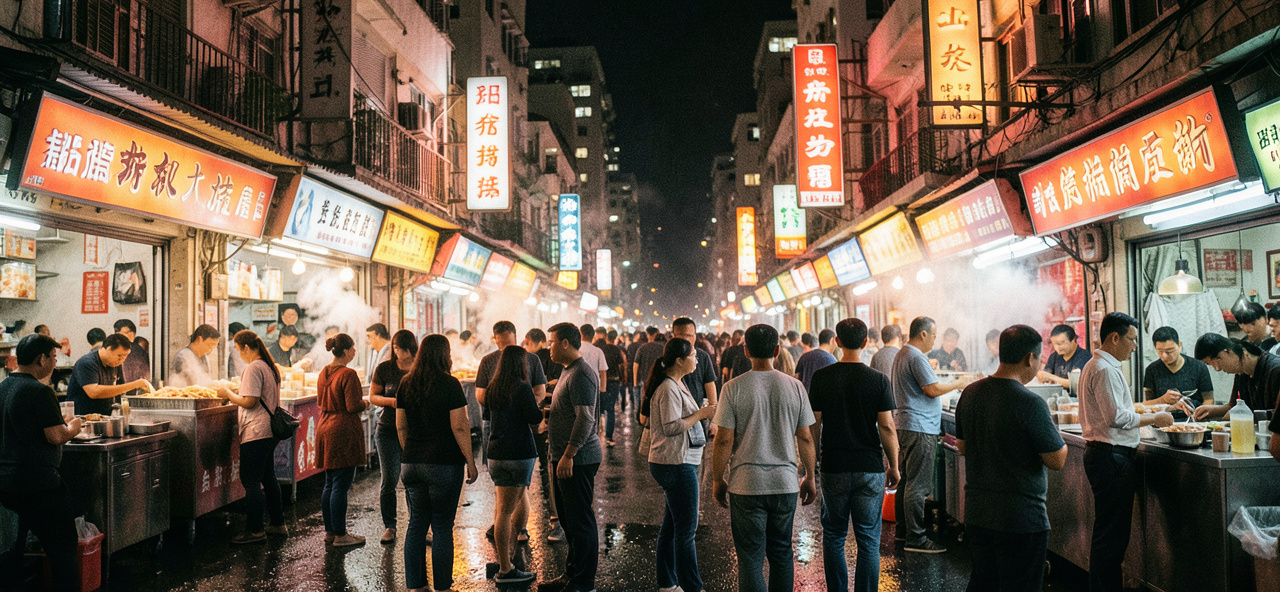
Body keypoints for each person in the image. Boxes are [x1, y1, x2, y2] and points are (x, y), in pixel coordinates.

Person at [956, 325, 1068, 592]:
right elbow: (1057, 459)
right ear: (1030, 358)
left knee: (984, 584)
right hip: (1020, 519)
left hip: (977, 513)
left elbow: (962, 446)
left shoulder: (970, 394)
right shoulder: (1030, 402)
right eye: (1039, 359)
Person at [711, 324, 818, 592]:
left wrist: (717, 479)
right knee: (782, 554)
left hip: (745, 484)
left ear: (745, 351)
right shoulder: (794, 387)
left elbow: (724, 439)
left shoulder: (732, 388)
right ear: (778, 350)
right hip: (785, 484)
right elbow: (805, 437)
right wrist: (809, 476)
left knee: (750, 559)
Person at [1080, 312, 1174, 592]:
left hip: (1107, 456)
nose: (1135, 345)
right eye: (1132, 339)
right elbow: (1117, 418)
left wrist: (1148, 408)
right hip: (1111, 457)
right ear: (1115, 338)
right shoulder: (1105, 369)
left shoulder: (1099, 365)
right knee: (1112, 537)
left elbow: (1120, 410)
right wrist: (1156, 418)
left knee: (1109, 533)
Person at [808, 319, 899, 592]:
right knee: (869, 540)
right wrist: (893, 465)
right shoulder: (878, 380)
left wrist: (810, 466)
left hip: (834, 465)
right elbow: (886, 426)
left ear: (837, 341)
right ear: (865, 342)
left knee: (834, 535)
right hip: (870, 467)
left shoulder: (822, 378)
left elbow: (814, 426)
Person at [0, 335, 83, 592]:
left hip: (6, 483)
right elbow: (56, 435)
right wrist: (75, 426)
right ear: (41, 358)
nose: (55, 364)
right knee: (63, 548)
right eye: (54, 358)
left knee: (22, 542)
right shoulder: (39, 391)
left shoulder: (3, 387)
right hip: (38, 484)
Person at [397, 335, 478, 592]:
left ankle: (416, 586)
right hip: (443, 464)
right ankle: (442, 587)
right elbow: (460, 426)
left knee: (417, 524)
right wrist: (471, 461)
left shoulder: (406, 383)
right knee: (442, 526)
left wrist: (411, 451)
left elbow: (401, 425)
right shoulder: (450, 384)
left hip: (411, 463)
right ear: (445, 354)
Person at [892, 316, 976, 553]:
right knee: (918, 486)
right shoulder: (916, 356)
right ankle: (916, 538)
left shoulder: (903, 354)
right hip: (919, 427)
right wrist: (960, 382)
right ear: (923, 335)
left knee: (908, 482)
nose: (935, 340)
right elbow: (932, 389)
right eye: (934, 335)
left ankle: (903, 532)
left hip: (908, 424)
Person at [644, 337, 717, 592]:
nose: (697, 359)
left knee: (672, 526)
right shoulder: (668, 388)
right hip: (676, 463)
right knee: (686, 531)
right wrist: (701, 414)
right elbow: (672, 426)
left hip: (677, 461)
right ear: (679, 360)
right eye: (694, 355)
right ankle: (693, 587)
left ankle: (667, 583)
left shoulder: (677, 384)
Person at [476, 322, 547, 541]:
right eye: (500, 340)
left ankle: (510, 528)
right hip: (497, 425)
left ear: (515, 337)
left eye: (508, 340)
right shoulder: (488, 361)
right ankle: (507, 529)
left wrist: (519, 406)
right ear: (494, 339)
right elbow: (480, 394)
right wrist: (510, 405)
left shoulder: (532, 360)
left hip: (517, 426)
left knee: (515, 485)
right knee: (508, 486)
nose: (504, 344)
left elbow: (540, 390)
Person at [214, 330, 287, 543]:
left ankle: (255, 531)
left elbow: (250, 401)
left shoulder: (253, 367)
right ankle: (277, 524)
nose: (239, 353)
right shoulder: (268, 366)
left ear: (245, 348)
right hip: (270, 430)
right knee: (268, 477)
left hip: (256, 431)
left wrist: (228, 394)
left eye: (238, 349)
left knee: (251, 480)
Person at [478, 345, 543, 585]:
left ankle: (507, 560)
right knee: (506, 511)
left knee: (502, 507)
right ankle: (506, 569)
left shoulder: (494, 387)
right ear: (520, 364)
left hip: (495, 453)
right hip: (518, 453)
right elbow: (533, 417)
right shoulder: (522, 388)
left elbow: (488, 416)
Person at [546, 322, 602, 592]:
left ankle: (583, 582)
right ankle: (571, 574)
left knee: (580, 521)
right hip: (564, 456)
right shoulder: (568, 371)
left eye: (552, 342)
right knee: (569, 521)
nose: (549, 348)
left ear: (566, 343)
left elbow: (585, 418)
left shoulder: (581, 374)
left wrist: (568, 454)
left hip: (578, 458)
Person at [315, 333, 370, 547]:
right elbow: (352, 406)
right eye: (353, 348)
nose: (355, 352)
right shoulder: (348, 374)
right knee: (340, 484)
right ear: (346, 351)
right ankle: (340, 534)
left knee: (330, 482)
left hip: (325, 425)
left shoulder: (323, 372)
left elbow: (321, 401)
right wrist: (365, 404)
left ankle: (330, 532)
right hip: (342, 429)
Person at [368, 330, 418, 545]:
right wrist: (393, 402)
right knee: (389, 479)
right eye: (396, 348)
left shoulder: (420, 368)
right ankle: (390, 526)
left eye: (403, 349)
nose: (400, 353)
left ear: (412, 348)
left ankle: (418, 525)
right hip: (387, 429)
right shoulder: (384, 368)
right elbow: (373, 396)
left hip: (415, 431)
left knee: (413, 480)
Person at [1192, 334, 1280, 421]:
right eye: (1211, 365)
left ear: (1228, 352)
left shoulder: (1275, 370)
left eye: (1216, 362)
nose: (1217, 369)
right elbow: (1232, 405)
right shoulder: (1241, 374)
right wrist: (1211, 410)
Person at [66, 333, 153, 415]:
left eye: (125, 356)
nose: (122, 360)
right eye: (119, 356)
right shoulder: (87, 363)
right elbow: (94, 392)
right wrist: (135, 384)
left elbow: (120, 389)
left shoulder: (115, 364)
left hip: (105, 416)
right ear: (106, 348)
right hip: (83, 417)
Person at [1142, 327, 1215, 418]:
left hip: (1194, 421)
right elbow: (1147, 405)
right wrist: (1163, 399)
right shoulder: (1152, 370)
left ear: (1179, 346)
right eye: (1160, 351)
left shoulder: (1198, 367)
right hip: (1163, 422)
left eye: (1170, 351)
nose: (1164, 356)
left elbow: (1209, 399)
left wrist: (1198, 416)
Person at [672, 318, 719, 409]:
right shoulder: (668, 355)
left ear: (695, 336)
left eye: (689, 335)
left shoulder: (702, 356)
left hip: (697, 409)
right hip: (674, 408)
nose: (685, 339)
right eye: (681, 336)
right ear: (674, 336)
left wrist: (713, 408)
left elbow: (709, 383)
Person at [596, 328, 626, 446]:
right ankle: (609, 437)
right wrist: (622, 379)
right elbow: (621, 366)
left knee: (598, 408)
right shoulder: (616, 350)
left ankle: (595, 434)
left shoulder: (600, 349)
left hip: (602, 381)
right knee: (611, 410)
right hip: (614, 381)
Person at [635, 327, 666, 404]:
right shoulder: (662, 348)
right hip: (659, 380)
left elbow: (635, 365)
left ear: (648, 335)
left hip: (645, 380)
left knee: (644, 402)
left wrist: (635, 382)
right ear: (656, 334)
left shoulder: (642, 348)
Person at [578, 324, 609, 397]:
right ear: (593, 335)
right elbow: (603, 371)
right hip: (594, 388)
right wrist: (602, 389)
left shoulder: (575, 349)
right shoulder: (598, 351)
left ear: (581, 334)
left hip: (578, 386)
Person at [626, 330, 648, 411]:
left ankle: (637, 413)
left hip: (633, 373)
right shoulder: (645, 346)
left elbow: (629, 361)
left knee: (635, 397)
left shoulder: (632, 346)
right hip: (643, 375)